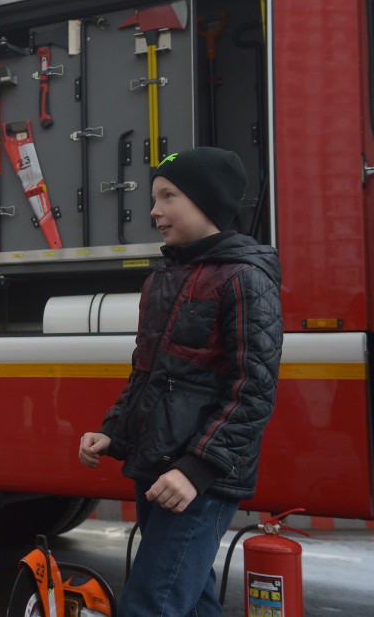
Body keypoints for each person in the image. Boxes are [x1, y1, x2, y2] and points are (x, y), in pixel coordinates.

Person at [78, 147, 283, 616]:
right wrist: (113, 431)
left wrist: (197, 470)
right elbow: (146, 373)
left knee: (151, 601)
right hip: (157, 467)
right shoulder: (164, 279)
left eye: (169, 196)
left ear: (207, 203)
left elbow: (253, 390)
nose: (154, 210)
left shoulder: (245, 279)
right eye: (154, 197)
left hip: (198, 479)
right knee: (189, 599)